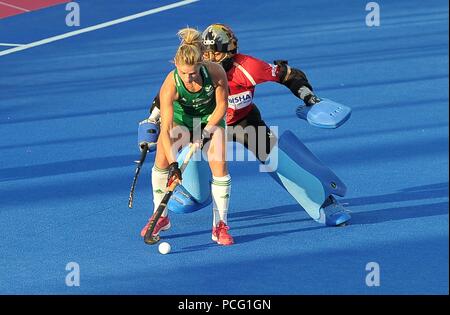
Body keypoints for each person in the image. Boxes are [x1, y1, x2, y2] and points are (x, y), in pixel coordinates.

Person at [141, 24, 351, 227]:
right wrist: (152, 120)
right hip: (205, 122)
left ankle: (322, 201)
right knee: (188, 160)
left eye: (215, 54)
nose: (209, 58)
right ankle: (195, 193)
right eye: (206, 53)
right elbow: (166, 95)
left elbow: (289, 75)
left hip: (243, 121)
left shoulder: (249, 67)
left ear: (230, 53)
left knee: (278, 158)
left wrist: (309, 98)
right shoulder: (198, 69)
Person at [140, 27, 234, 246]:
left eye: (192, 73)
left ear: (201, 64)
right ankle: (160, 216)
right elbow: (166, 128)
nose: (188, 78)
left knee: (219, 164)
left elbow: (222, 107)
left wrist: (205, 132)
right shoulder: (171, 84)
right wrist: (174, 163)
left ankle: (219, 225)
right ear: (176, 65)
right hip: (181, 121)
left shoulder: (216, 72)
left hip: (210, 120)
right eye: (183, 73)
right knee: (162, 160)